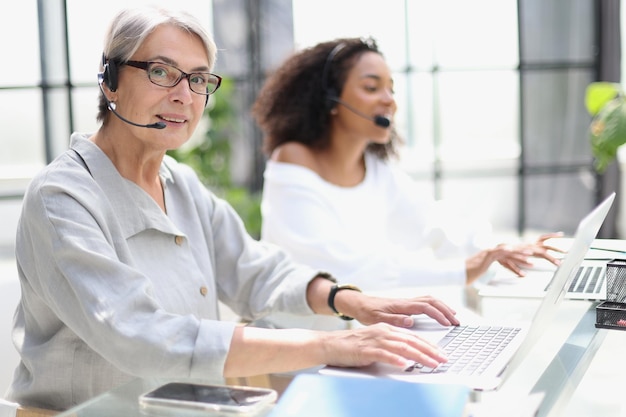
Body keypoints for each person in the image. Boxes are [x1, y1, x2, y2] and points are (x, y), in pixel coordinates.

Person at [4, 8, 463, 412]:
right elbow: (140, 336)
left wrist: (350, 301)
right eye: (162, 72)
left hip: (182, 408)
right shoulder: (62, 197)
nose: (185, 95)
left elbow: (255, 270)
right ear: (110, 80)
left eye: (199, 78)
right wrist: (332, 344)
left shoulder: (179, 183)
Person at [252, 37, 563, 330]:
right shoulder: (292, 159)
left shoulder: (376, 170)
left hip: (355, 338)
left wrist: (500, 252)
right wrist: (463, 270)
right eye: (372, 88)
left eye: (391, 89)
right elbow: (344, 268)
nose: (389, 101)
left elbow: (433, 223)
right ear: (332, 99)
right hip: (300, 344)